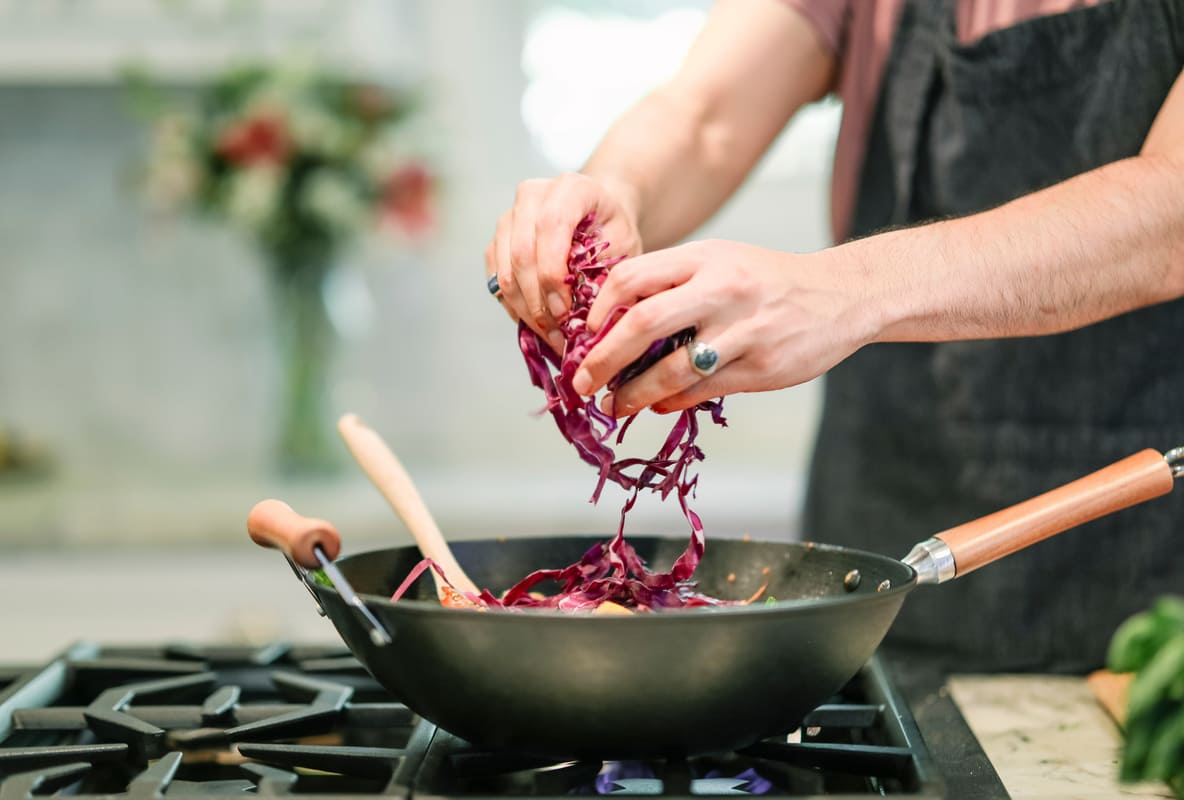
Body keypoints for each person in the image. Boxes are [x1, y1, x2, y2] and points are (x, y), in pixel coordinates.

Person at [484, 0, 1184, 673]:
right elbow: (704, 117)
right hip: (876, 524)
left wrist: (845, 290)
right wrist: (612, 190)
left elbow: (1170, 211)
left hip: (1131, 556)